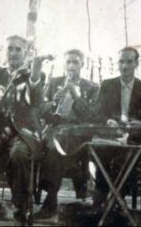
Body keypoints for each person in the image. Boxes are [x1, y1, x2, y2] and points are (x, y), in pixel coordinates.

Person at [0, 35, 49, 225]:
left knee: (20, 154)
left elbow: (37, 101)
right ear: (4, 52)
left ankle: (19, 209)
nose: (13, 53)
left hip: (23, 133)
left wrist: (34, 74)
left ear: (26, 53)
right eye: (10, 49)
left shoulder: (33, 74)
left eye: (18, 49)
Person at [35, 49, 99, 218]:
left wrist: (76, 94)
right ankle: (37, 198)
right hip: (54, 131)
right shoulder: (55, 82)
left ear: (82, 65)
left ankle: (50, 200)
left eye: (75, 62)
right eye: (68, 62)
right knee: (50, 144)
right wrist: (53, 102)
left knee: (58, 145)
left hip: (78, 135)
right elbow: (42, 111)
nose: (71, 66)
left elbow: (90, 116)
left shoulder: (91, 87)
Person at [94, 46, 141, 206]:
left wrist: (140, 123)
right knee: (100, 153)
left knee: (125, 158)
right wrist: (108, 121)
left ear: (136, 64)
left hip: (135, 138)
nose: (124, 66)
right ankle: (102, 199)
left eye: (129, 62)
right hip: (111, 135)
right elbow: (98, 114)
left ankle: (116, 202)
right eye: (121, 61)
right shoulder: (107, 85)